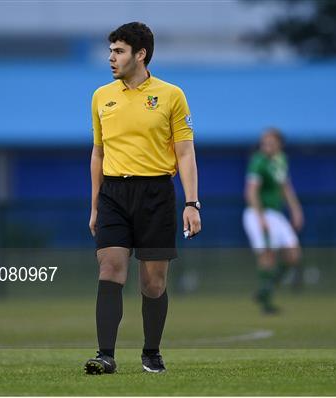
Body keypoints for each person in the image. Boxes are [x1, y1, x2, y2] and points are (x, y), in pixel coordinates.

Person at [85, 22, 201, 375]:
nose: (111, 58)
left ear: (141, 54)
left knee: (153, 283)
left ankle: (151, 352)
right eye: (110, 51)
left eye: (118, 51)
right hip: (114, 194)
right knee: (110, 269)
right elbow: (98, 153)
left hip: (156, 193)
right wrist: (94, 204)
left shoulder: (171, 95)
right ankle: (105, 355)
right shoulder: (101, 96)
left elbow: (185, 153)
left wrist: (192, 203)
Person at [243, 127, 303, 314]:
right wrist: (260, 218)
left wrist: (296, 210)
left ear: (279, 144)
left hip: (275, 214)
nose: (266, 146)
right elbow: (250, 192)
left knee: (293, 254)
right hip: (257, 213)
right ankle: (266, 304)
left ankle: (265, 290)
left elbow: (285, 187)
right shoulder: (258, 161)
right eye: (264, 142)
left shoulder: (281, 160)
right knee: (267, 254)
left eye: (270, 142)